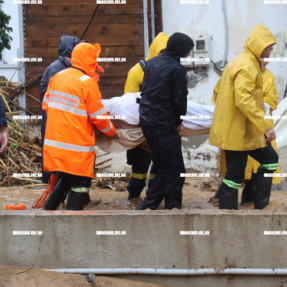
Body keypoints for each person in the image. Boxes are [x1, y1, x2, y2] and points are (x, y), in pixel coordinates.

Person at [209, 24, 278, 210]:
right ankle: (229, 215)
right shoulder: (247, 66)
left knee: (270, 159)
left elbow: (216, 92)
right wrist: (266, 126)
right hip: (238, 132)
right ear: (259, 44)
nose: (272, 49)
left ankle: (258, 207)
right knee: (234, 176)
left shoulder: (241, 62)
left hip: (246, 131)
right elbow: (244, 100)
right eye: (269, 45)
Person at [43, 42, 117, 210]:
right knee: (80, 184)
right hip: (77, 150)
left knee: (66, 180)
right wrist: (112, 131)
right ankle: (73, 223)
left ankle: (46, 215)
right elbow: (99, 117)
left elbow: (46, 105)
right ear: (91, 62)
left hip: (55, 147)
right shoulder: (88, 83)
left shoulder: (58, 76)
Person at [136, 32, 194, 210]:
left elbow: (147, 91)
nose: (190, 55)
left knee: (164, 167)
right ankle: (168, 209)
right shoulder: (176, 70)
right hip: (163, 124)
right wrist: (178, 121)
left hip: (147, 121)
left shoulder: (152, 63)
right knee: (176, 171)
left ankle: (151, 207)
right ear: (183, 51)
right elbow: (179, 100)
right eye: (189, 51)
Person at [124, 32, 169, 201]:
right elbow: (129, 101)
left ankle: (153, 197)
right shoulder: (137, 71)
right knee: (139, 168)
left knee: (159, 165)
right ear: (155, 50)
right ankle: (134, 194)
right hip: (141, 127)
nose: (164, 56)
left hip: (162, 127)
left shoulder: (171, 69)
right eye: (161, 51)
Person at [40, 35, 81, 184]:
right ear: (70, 52)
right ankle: (49, 188)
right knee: (52, 153)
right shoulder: (56, 69)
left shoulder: (64, 67)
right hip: (52, 120)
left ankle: (57, 189)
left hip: (58, 119)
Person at [241, 60, 280, 205]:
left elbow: (272, 101)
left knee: (266, 162)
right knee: (239, 170)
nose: (265, 62)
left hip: (261, 128)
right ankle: (244, 202)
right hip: (242, 127)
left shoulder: (269, 77)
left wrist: (258, 106)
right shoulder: (243, 72)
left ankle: (258, 204)